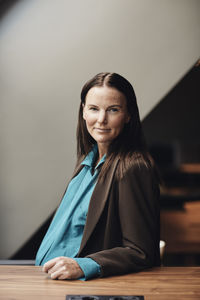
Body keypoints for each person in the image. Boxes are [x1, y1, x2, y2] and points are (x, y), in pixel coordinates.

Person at [35, 72, 160, 280]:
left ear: (128, 115)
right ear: (83, 111)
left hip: (81, 285)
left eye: (113, 110)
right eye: (94, 109)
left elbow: (141, 251)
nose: (101, 119)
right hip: (45, 279)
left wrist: (84, 265)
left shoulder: (133, 167)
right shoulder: (86, 162)